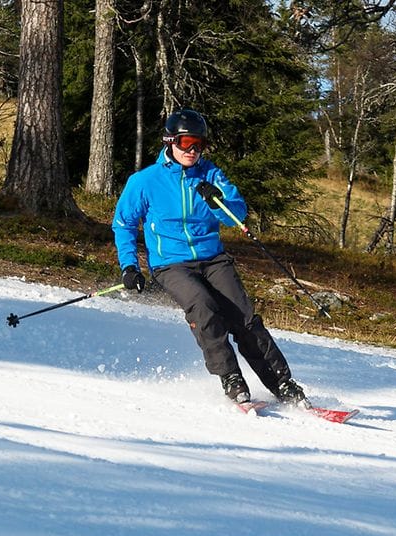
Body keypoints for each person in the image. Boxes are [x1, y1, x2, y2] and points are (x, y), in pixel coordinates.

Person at [112, 109, 310, 409]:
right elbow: (124, 224)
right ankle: (231, 378)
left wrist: (216, 199)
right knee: (204, 307)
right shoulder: (145, 181)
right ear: (170, 142)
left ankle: (282, 382)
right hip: (171, 263)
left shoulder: (211, 174)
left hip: (213, 258)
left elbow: (237, 215)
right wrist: (129, 265)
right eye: (187, 143)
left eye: (199, 145)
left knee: (244, 319)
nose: (193, 151)